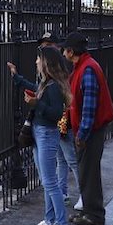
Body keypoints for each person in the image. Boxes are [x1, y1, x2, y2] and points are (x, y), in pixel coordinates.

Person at [7, 46, 72, 225]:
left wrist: (36, 104)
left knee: (50, 182)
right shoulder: (47, 84)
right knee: (46, 181)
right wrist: (17, 77)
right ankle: (50, 220)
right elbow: (35, 89)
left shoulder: (53, 87)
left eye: (38, 59)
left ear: (46, 63)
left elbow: (54, 114)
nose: (36, 62)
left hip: (46, 133)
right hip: (39, 132)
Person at [63, 31, 113, 225]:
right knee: (86, 172)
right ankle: (88, 211)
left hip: (90, 131)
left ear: (70, 51)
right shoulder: (83, 66)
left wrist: (82, 133)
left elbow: (89, 106)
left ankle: (94, 213)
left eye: (65, 49)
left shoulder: (87, 69)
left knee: (89, 172)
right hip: (88, 129)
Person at [38, 32, 80, 207]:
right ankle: (63, 191)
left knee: (70, 158)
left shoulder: (60, 68)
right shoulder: (49, 67)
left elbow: (61, 98)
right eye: (43, 46)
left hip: (63, 120)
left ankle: (83, 192)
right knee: (61, 159)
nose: (45, 49)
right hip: (59, 121)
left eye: (49, 45)